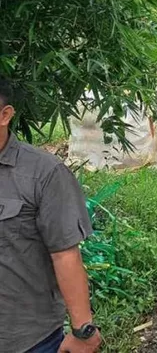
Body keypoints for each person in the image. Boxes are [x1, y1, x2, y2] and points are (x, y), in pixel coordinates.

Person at [0, 80, 103, 353]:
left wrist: (83, 330)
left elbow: (65, 254)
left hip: (28, 338)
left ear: (5, 115)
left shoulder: (43, 173)